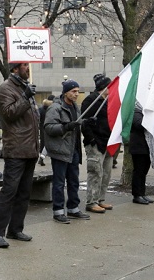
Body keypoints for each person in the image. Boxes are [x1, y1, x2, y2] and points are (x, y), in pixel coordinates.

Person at [0, 62, 38, 248]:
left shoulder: (25, 87)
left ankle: (15, 229)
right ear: (15, 68)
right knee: (9, 191)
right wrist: (25, 97)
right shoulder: (6, 88)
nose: (28, 68)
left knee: (24, 192)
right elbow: (9, 114)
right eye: (24, 65)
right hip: (16, 149)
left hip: (30, 149)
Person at [45, 79, 88, 223]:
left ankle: (73, 208)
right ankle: (58, 211)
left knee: (74, 181)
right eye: (73, 91)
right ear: (65, 93)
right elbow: (49, 128)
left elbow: (77, 125)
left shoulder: (75, 107)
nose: (77, 94)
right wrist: (66, 127)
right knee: (59, 183)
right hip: (60, 150)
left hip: (73, 150)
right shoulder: (55, 108)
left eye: (78, 91)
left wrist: (86, 123)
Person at [81, 73, 113, 213]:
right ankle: (91, 201)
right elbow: (85, 122)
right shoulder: (91, 100)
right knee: (95, 172)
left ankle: (100, 199)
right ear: (104, 87)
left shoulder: (107, 101)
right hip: (96, 143)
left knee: (106, 172)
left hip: (107, 142)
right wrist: (92, 140)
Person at [130, 102, 154, 204]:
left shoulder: (145, 113)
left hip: (146, 147)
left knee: (144, 171)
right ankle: (137, 195)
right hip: (138, 147)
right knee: (139, 171)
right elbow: (139, 124)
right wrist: (153, 120)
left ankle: (142, 193)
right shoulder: (136, 111)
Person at [38, 94, 55, 166]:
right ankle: (43, 156)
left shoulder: (41, 108)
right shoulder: (52, 108)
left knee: (45, 142)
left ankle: (42, 156)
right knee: (51, 142)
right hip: (51, 127)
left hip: (43, 127)